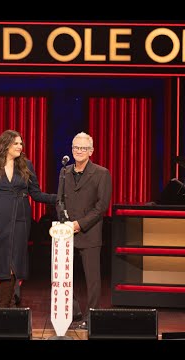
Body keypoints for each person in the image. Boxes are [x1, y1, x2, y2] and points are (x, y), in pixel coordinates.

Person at [0, 129, 57, 308]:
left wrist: (58, 197)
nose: (20, 146)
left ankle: (4, 305)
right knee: (3, 262)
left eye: (21, 143)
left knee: (14, 263)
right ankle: (7, 304)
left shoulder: (26, 165)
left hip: (21, 219)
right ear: (5, 145)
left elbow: (35, 194)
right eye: (16, 143)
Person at [56, 131, 112, 330]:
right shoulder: (65, 171)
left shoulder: (101, 173)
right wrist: (64, 222)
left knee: (92, 279)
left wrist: (79, 224)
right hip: (66, 232)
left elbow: (101, 206)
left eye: (83, 148)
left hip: (89, 232)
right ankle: (72, 311)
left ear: (91, 151)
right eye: (76, 147)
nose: (79, 151)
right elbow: (59, 199)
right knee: (63, 276)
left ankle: (91, 317)